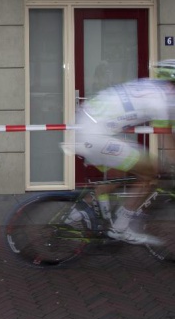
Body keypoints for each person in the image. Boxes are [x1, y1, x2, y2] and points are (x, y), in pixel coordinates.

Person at [72, 60, 175, 245]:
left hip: (87, 126)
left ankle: (76, 214)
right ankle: (121, 227)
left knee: (118, 174)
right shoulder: (164, 98)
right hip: (96, 134)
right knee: (150, 173)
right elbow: (168, 143)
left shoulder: (149, 86)